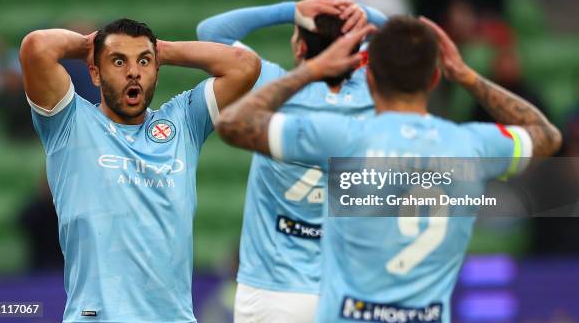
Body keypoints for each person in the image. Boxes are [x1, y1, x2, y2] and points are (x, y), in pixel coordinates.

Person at [216, 18, 561, 323]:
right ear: (435, 78)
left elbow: (233, 124)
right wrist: (468, 76)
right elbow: (547, 136)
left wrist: (314, 69)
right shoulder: (471, 145)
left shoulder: (345, 139)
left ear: (371, 77)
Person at [19, 18, 260, 322]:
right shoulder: (70, 123)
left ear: (156, 71)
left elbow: (246, 65)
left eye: (144, 62)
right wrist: (86, 46)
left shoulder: (183, 122)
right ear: (95, 73)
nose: (133, 71)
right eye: (118, 61)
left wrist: (164, 50)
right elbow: (36, 47)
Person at [197, 0, 387, 323]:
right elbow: (412, 40)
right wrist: (364, 15)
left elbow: (211, 31)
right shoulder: (374, 97)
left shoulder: (272, 88)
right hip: (345, 292)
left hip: (271, 292)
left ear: (300, 48)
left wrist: (292, 9)